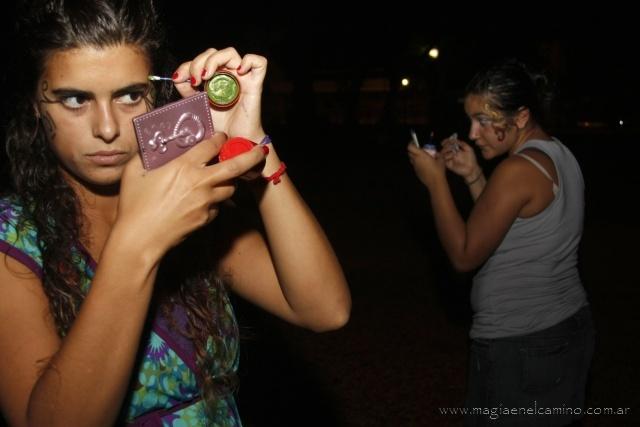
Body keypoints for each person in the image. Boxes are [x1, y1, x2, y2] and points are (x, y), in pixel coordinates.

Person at [0, 1, 350, 426]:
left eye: (130, 95)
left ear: (156, 93)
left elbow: (324, 309)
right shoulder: (14, 236)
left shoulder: (188, 200)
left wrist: (251, 141)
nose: (107, 128)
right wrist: (138, 242)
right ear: (36, 106)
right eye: (75, 99)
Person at [408, 60, 594, 426]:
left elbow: (464, 254)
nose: (473, 133)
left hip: (522, 345)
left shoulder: (516, 171)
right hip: (565, 328)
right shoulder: (558, 154)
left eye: (483, 120)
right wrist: (476, 175)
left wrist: (436, 183)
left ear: (521, 117)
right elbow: (505, 231)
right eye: (470, 119)